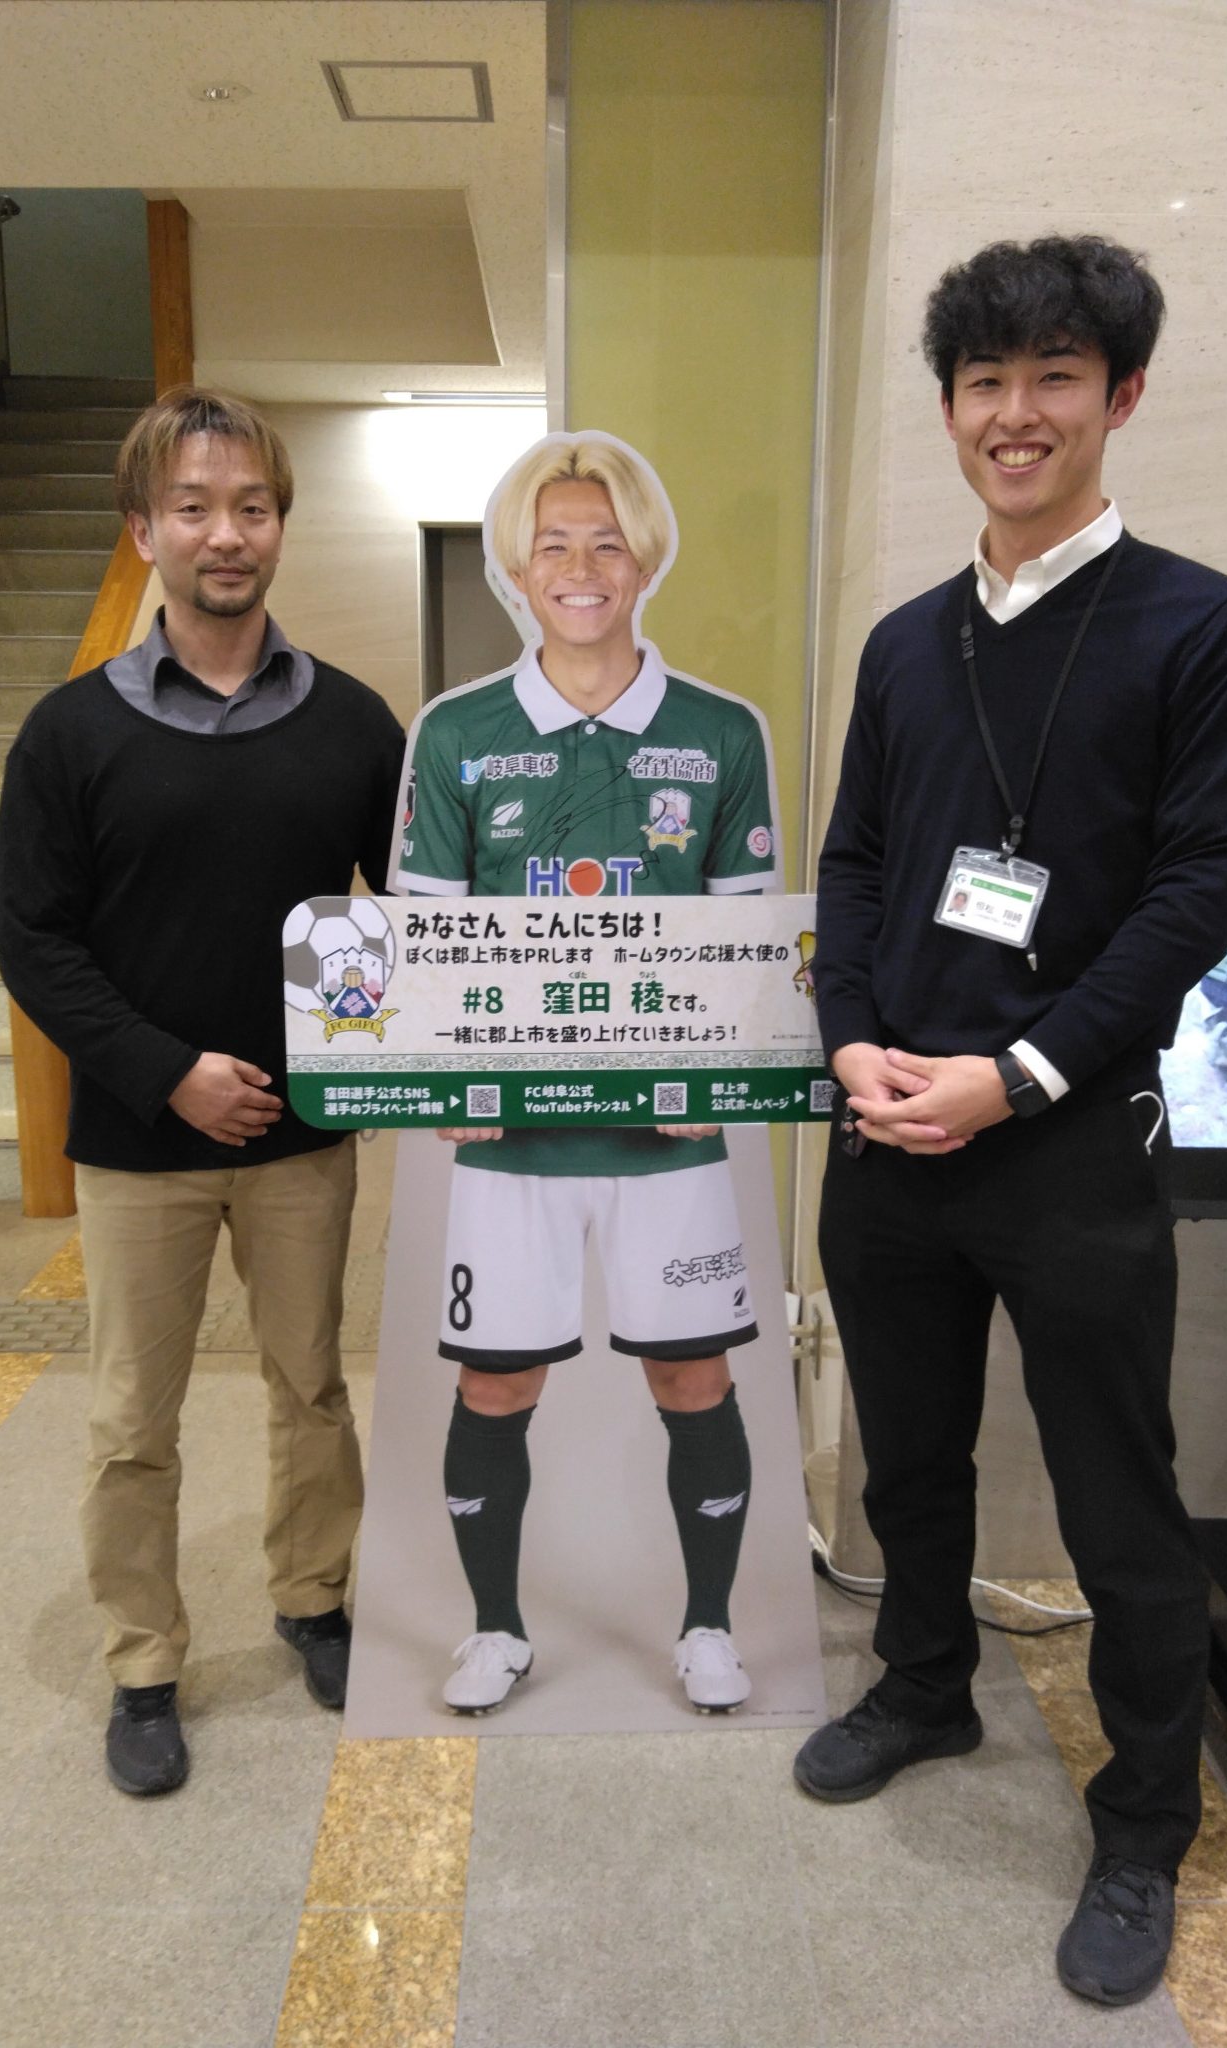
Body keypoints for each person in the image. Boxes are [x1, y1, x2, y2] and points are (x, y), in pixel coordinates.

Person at [792, 238, 1227, 2007]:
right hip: (888, 1131)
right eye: (985, 381)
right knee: (909, 1456)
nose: (1017, 412)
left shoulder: (1207, 628)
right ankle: (925, 1682)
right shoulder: (904, 643)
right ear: (950, 408)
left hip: (1069, 1140)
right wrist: (854, 1045)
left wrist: (1013, 1075)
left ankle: (1145, 1820)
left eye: (1055, 375)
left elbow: (1195, 896)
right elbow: (856, 864)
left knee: (1115, 1492)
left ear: (1119, 397)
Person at [0, 388, 405, 1796]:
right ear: (144, 531)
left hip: (304, 1137)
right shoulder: (68, 735)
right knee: (131, 1421)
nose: (225, 533)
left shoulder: (354, 724)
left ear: (280, 524)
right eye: (194, 508)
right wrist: (168, 1073)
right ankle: (143, 1663)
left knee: (312, 1386)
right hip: (134, 1142)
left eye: (251, 507)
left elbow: (411, 913)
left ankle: (313, 1598)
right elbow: (34, 942)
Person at [392, 432, 781, 1715]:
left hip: (670, 1136)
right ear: (515, 566)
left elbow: (749, 945)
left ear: (646, 558)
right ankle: (495, 1629)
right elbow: (426, 939)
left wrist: (714, 1075)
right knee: (495, 1379)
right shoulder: (459, 731)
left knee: (695, 1376)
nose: (579, 566)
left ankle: (708, 1624)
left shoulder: (721, 731)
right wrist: (447, 1082)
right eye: (552, 542)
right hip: (515, 1139)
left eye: (606, 541)